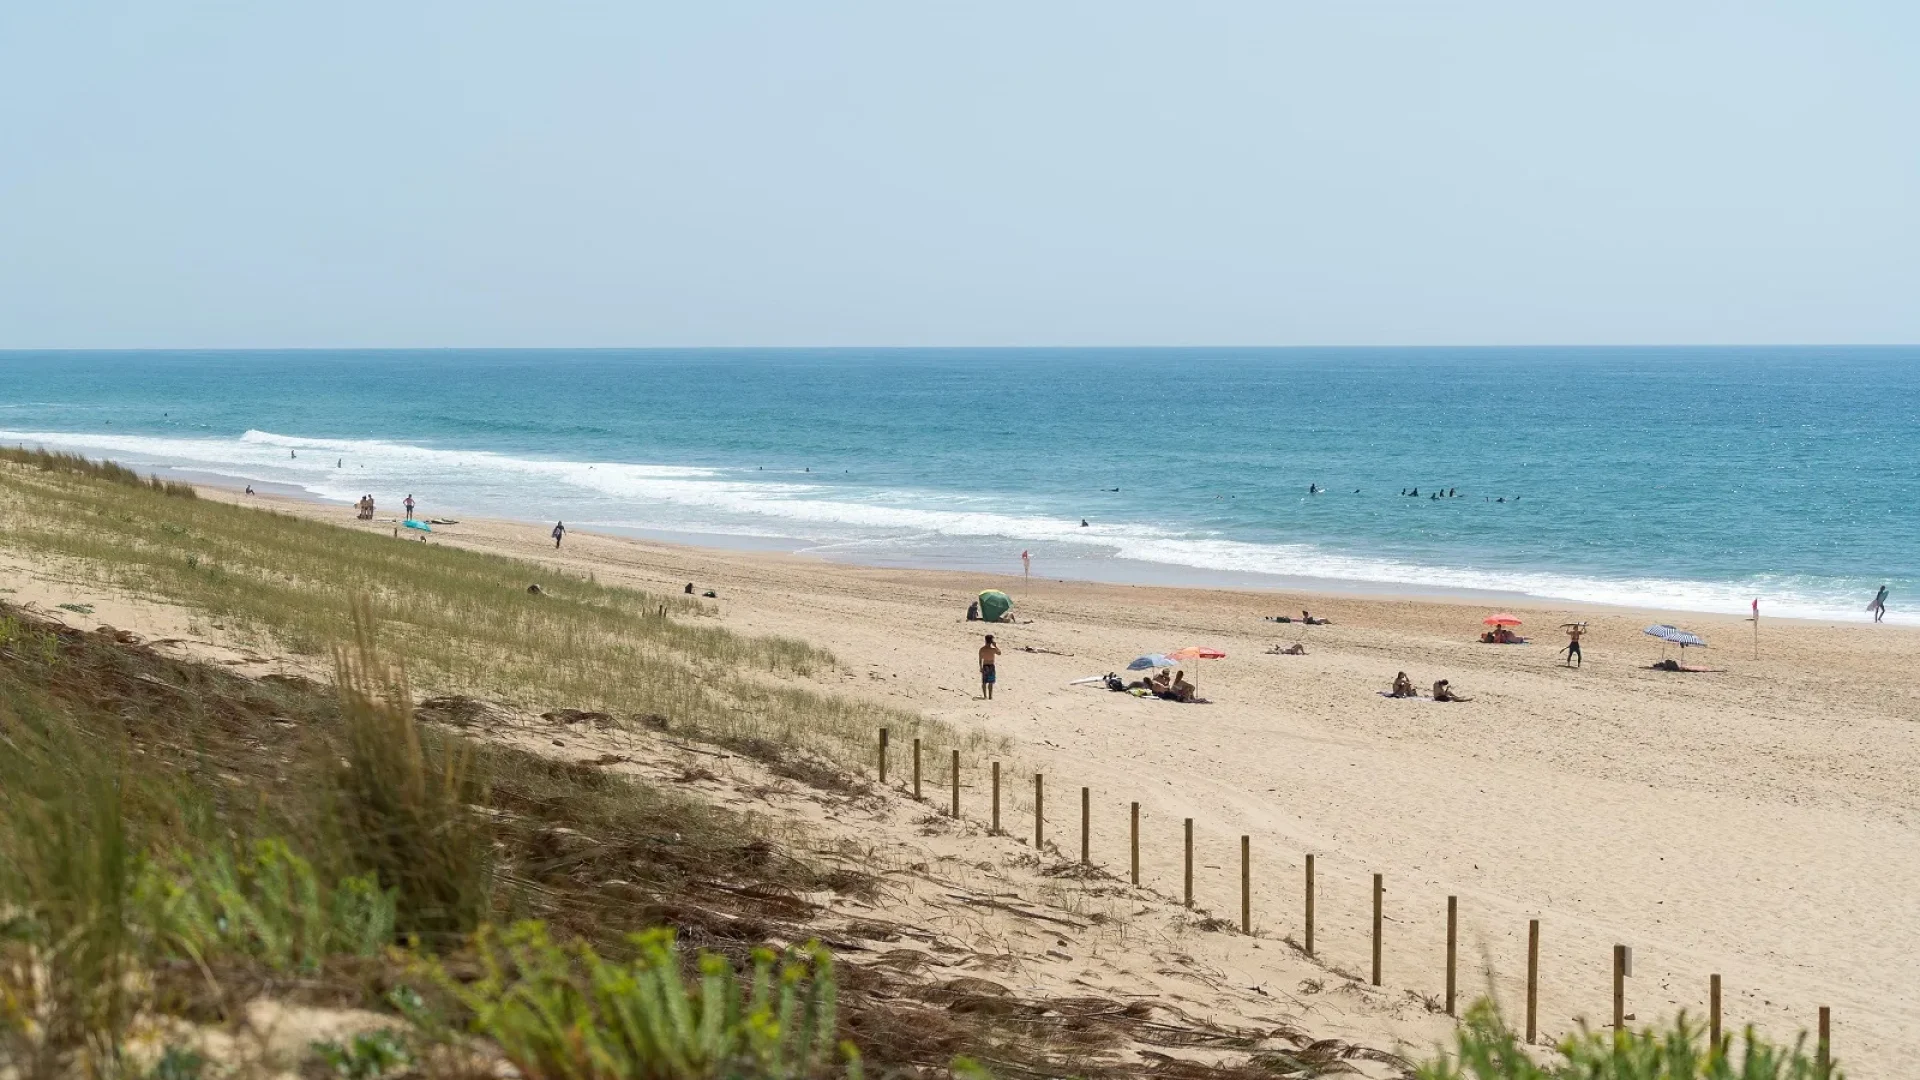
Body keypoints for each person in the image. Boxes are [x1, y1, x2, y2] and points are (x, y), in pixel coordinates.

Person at [978, 634, 1001, 700]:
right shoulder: (993, 649)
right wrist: (996, 646)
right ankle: (990, 696)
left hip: (985, 666)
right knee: (990, 682)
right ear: (991, 641)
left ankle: (985, 696)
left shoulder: (982, 649)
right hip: (991, 666)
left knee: (984, 682)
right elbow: (999, 653)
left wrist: (980, 667)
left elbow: (980, 659)